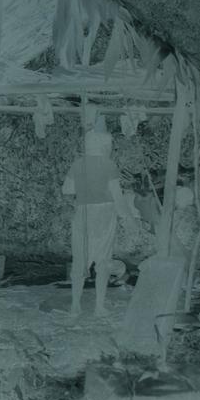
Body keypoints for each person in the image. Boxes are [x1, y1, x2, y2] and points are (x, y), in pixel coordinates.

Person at [63, 115, 137, 317]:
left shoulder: (78, 163)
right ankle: (99, 307)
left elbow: (67, 190)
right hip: (104, 214)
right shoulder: (108, 164)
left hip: (83, 213)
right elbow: (117, 196)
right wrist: (128, 218)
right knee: (103, 261)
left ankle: (75, 306)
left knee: (80, 260)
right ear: (104, 144)